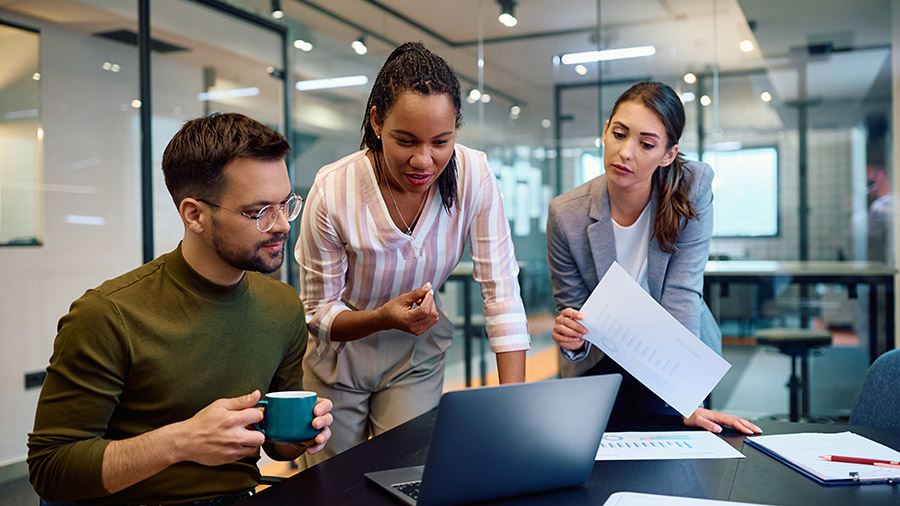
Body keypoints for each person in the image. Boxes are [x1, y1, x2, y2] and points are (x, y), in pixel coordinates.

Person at [27, 113, 333, 506]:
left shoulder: (282, 305)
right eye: (259, 212)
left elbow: (278, 446)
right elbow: (51, 469)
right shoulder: (106, 314)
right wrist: (181, 442)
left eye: (285, 205)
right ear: (195, 215)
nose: (283, 226)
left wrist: (302, 434)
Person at [295, 42, 529, 465]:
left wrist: (514, 407)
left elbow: (501, 292)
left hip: (416, 355)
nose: (424, 161)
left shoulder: (474, 176)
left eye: (441, 141)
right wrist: (384, 317)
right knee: (333, 487)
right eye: (405, 140)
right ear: (377, 121)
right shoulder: (334, 190)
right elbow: (317, 313)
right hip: (338, 359)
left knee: (407, 475)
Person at [548, 81, 760, 435]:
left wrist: (685, 394)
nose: (625, 152)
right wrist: (572, 335)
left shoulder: (692, 188)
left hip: (674, 352)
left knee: (678, 456)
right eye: (619, 134)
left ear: (668, 154)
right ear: (605, 131)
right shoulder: (565, 215)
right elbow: (571, 311)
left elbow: (683, 293)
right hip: (603, 359)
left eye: (646, 144)